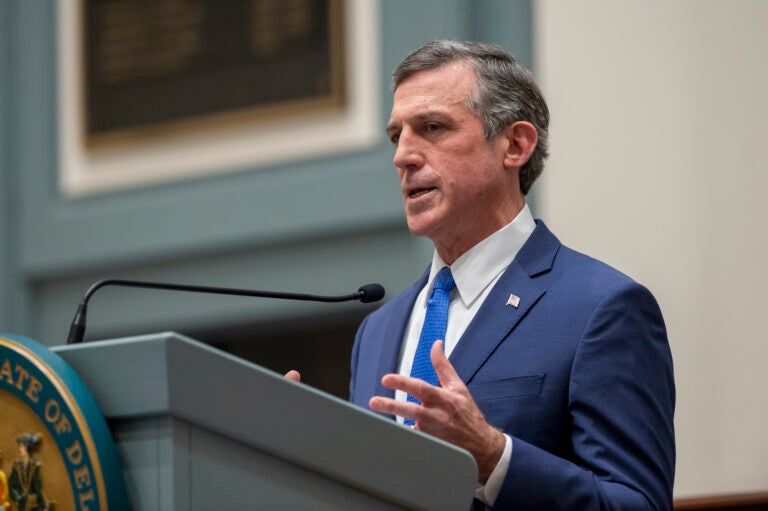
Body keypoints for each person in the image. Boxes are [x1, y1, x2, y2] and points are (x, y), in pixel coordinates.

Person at [290, 40, 675, 510]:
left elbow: (638, 505)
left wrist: (494, 457)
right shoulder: (379, 329)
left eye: (432, 127)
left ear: (515, 145)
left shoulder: (601, 308)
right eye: (397, 136)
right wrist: (296, 459)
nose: (403, 156)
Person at [8, 434, 48, 511]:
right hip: (22, 506)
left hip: (33, 507)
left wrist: (43, 506)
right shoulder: (16, 466)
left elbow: (38, 488)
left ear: (27, 448)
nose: (20, 449)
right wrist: (18, 498)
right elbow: (10, 485)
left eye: (22, 446)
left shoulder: (35, 467)